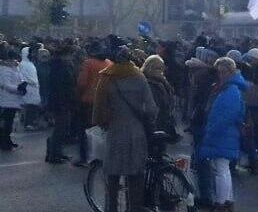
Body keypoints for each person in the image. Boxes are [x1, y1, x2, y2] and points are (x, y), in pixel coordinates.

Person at [94, 46, 157, 212]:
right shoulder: (139, 77)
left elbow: (99, 107)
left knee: (112, 176)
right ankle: (133, 208)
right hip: (136, 133)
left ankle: (111, 208)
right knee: (135, 175)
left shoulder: (107, 77)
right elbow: (151, 109)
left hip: (114, 132)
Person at [198, 57, 248, 211]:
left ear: (230, 71)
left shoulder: (230, 89)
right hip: (226, 133)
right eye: (219, 71)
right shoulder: (230, 87)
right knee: (223, 169)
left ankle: (221, 202)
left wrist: (213, 131)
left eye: (224, 71)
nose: (221, 75)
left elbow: (228, 115)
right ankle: (227, 200)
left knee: (221, 170)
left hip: (223, 133)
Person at [75, 44, 112, 166]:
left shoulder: (88, 63)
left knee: (84, 131)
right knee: (100, 130)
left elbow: (82, 83)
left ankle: (84, 157)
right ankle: (101, 155)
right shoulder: (109, 64)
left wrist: (78, 96)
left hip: (88, 102)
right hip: (105, 102)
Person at [45, 42, 78, 164]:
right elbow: (60, 87)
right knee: (60, 128)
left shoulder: (64, 65)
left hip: (64, 101)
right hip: (60, 102)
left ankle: (57, 151)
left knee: (63, 128)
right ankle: (54, 153)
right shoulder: (59, 67)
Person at [142, 55, 181, 142]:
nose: (160, 71)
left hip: (162, 122)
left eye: (161, 68)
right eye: (157, 68)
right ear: (150, 67)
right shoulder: (145, 83)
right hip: (152, 124)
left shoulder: (163, 82)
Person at [0, 47, 26, 151]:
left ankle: (6, 140)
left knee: (9, 121)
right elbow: (6, 84)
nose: (15, 61)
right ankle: (4, 143)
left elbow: (18, 78)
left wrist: (22, 84)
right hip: (7, 99)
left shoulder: (13, 67)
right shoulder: (3, 69)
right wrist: (18, 88)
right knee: (6, 122)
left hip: (13, 98)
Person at [18, 46, 42, 131]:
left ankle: (32, 122)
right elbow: (23, 76)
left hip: (34, 87)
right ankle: (28, 123)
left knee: (33, 106)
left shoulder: (30, 63)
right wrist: (32, 81)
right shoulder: (23, 64)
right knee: (30, 106)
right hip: (29, 86)